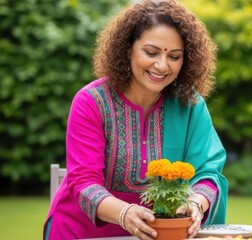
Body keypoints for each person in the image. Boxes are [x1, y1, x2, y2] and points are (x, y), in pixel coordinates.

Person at [43, 0, 228, 239]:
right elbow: (83, 181)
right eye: (151, 52)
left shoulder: (189, 105)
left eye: (175, 56)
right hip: (82, 233)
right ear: (128, 48)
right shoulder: (91, 101)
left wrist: (195, 203)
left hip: (159, 233)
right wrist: (125, 213)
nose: (162, 65)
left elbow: (209, 170)